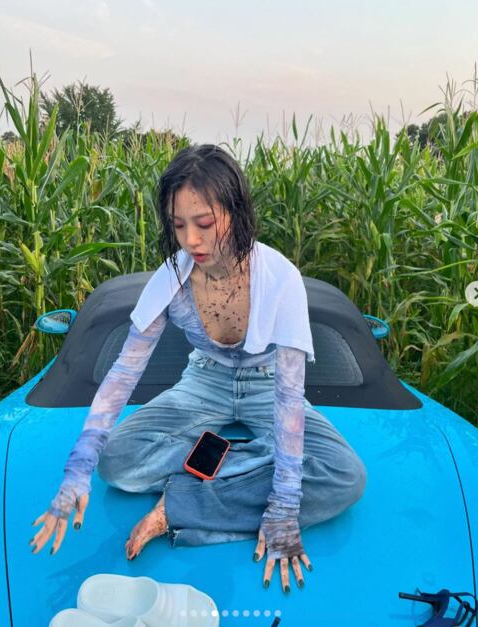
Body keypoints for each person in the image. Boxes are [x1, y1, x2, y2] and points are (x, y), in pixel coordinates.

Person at [30, 144, 367, 593]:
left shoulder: (279, 278)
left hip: (268, 385)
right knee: (115, 462)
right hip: (203, 381)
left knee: (345, 475)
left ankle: (180, 505)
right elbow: (124, 373)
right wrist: (78, 470)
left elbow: (289, 396)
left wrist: (285, 508)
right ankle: (241, 464)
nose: (190, 240)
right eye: (178, 225)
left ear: (236, 211)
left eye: (204, 223)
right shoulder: (172, 277)